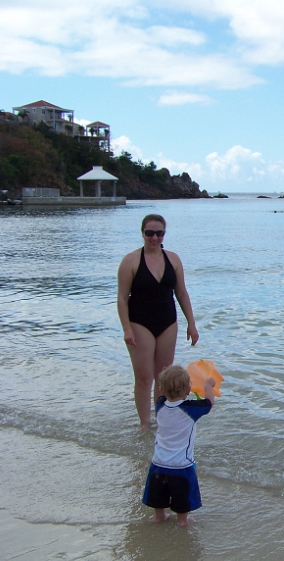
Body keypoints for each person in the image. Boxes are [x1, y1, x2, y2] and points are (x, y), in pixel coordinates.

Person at [118, 214, 199, 428]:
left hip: (167, 321)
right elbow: (122, 298)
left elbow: (181, 293)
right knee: (144, 377)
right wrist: (127, 329)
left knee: (164, 379)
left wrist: (191, 323)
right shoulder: (130, 261)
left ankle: (161, 422)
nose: (154, 237)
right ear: (142, 233)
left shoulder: (173, 259)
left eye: (159, 233)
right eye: (150, 233)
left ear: (164, 234)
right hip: (139, 322)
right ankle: (145, 425)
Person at [142, 365, 215, 527]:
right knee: (182, 495)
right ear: (188, 390)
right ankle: (182, 520)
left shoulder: (160, 405)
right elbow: (209, 403)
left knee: (158, 494)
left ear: (161, 390)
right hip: (181, 465)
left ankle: (159, 516)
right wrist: (208, 386)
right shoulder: (190, 409)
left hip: (158, 463)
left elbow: (167, 398)